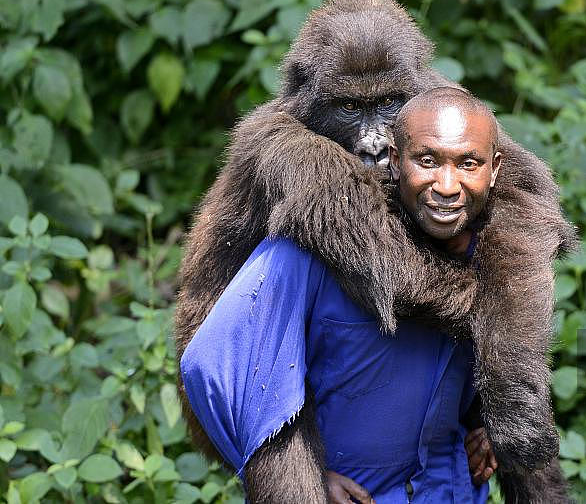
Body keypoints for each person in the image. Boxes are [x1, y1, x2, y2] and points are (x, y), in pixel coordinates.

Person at [180, 87, 502, 503]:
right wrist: (300, 479)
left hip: (447, 488)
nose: (446, 184)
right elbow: (212, 369)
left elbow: (499, 350)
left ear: (492, 169)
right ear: (396, 158)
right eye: (427, 161)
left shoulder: (476, 237)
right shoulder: (300, 247)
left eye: (466, 164)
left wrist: (492, 421)